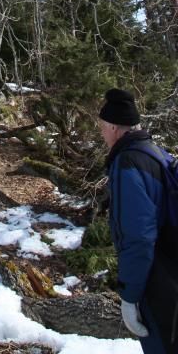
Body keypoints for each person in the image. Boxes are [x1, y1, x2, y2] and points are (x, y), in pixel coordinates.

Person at [99, 87, 178, 354]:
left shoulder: (127, 164)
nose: (101, 133)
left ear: (113, 127)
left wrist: (130, 297)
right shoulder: (156, 153)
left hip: (159, 282)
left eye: (102, 127)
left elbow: (138, 237)